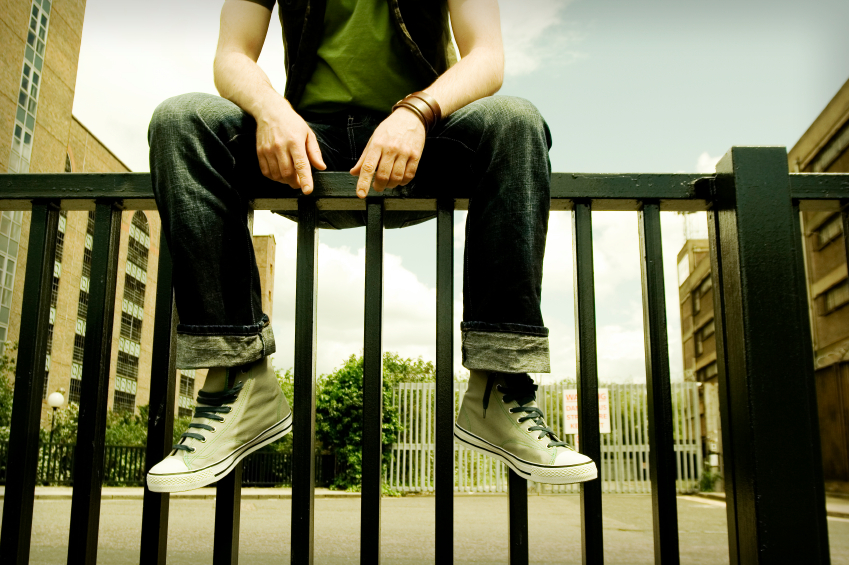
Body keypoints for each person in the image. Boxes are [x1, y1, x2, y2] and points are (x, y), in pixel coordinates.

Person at [146, 0, 597, 492]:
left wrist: (416, 112)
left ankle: (499, 387)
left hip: (422, 137)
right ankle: (237, 380)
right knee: (180, 120)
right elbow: (232, 55)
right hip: (306, 143)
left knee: (515, 120)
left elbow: (487, 57)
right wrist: (273, 112)